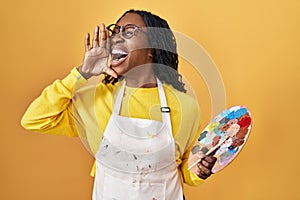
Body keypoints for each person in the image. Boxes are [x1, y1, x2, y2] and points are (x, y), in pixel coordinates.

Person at [21, 9, 217, 200]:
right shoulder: (95, 100)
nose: (116, 38)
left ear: (153, 49)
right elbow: (34, 120)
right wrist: (83, 72)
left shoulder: (185, 106)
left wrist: (199, 170)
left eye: (129, 31)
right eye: (115, 32)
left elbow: (184, 169)